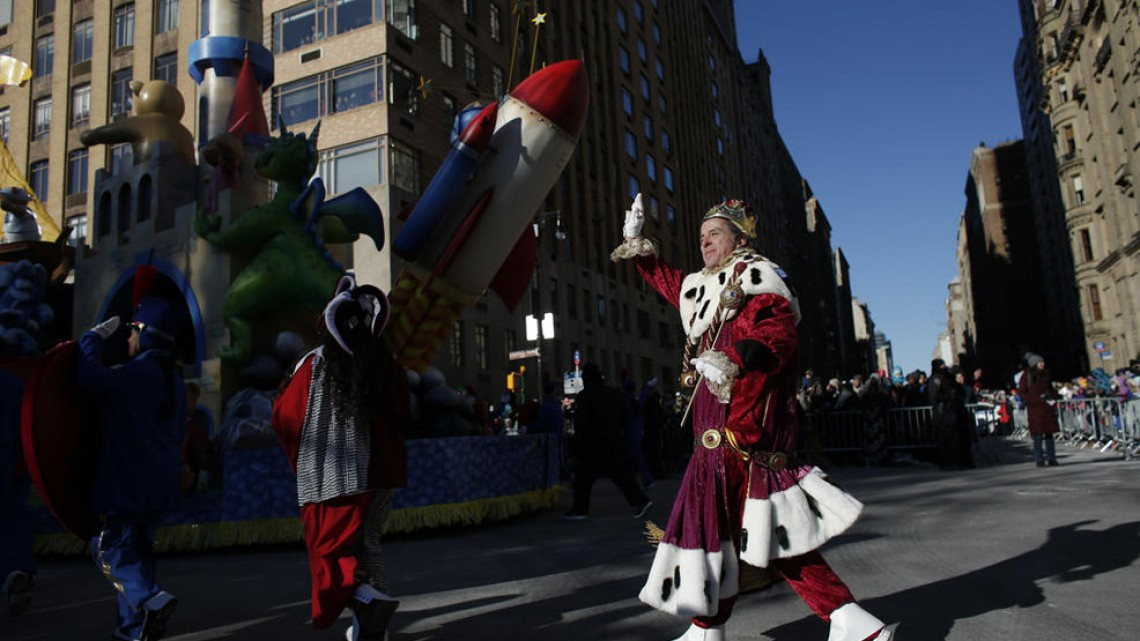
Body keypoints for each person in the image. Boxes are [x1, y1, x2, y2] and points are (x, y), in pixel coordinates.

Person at [612, 195, 890, 641]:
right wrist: (638, 245)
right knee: (727, 537)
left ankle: (850, 622)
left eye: (714, 234)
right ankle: (711, 629)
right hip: (715, 441)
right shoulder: (707, 285)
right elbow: (672, 284)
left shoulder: (760, 279)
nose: (704, 243)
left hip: (744, 436)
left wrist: (734, 357)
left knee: (766, 537)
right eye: (701, 237)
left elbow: (777, 336)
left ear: (739, 239)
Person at [271, 275, 408, 641]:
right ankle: (371, 628)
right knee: (369, 543)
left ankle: (363, 598)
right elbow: (402, 414)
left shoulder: (316, 364)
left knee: (332, 551)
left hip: (335, 477)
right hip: (383, 474)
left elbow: (284, 415)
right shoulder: (387, 363)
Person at [76, 297, 187, 641]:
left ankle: (148, 598)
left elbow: (90, 381)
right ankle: (134, 629)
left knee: (108, 549)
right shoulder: (175, 381)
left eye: (135, 331)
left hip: (125, 481)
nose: (128, 339)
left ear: (150, 335)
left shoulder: (138, 373)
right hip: (158, 485)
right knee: (138, 553)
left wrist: (90, 341)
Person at [564, 362, 652, 520]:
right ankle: (641, 500)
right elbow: (625, 417)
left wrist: (577, 445)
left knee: (584, 478)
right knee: (622, 475)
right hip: (615, 439)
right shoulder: (614, 393)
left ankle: (580, 509)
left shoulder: (585, 396)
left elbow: (582, 422)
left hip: (593, 443)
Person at [0, 368, 34, 616]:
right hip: (16, 464)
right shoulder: (13, 382)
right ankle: (19, 572)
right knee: (15, 520)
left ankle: (10, 574)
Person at [928, 359, 973, 470]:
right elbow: (934, 397)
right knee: (946, 440)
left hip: (954, 413)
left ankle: (959, 461)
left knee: (957, 438)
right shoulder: (936, 379)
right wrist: (948, 396)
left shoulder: (947, 378)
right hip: (944, 414)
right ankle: (949, 462)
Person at [1017, 353, 1059, 467]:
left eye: (1043, 362)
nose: (1043, 364)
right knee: (1038, 436)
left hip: (1047, 408)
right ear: (1035, 364)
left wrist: (1054, 396)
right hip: (1035, 409)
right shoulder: (1028, 375)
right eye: (1040, 362)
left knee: (1049, 434)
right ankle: (1039, 459)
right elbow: (1022, 392)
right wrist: (1033, 400)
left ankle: (1052, 458)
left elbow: (1050, 388)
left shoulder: (1046, 374)